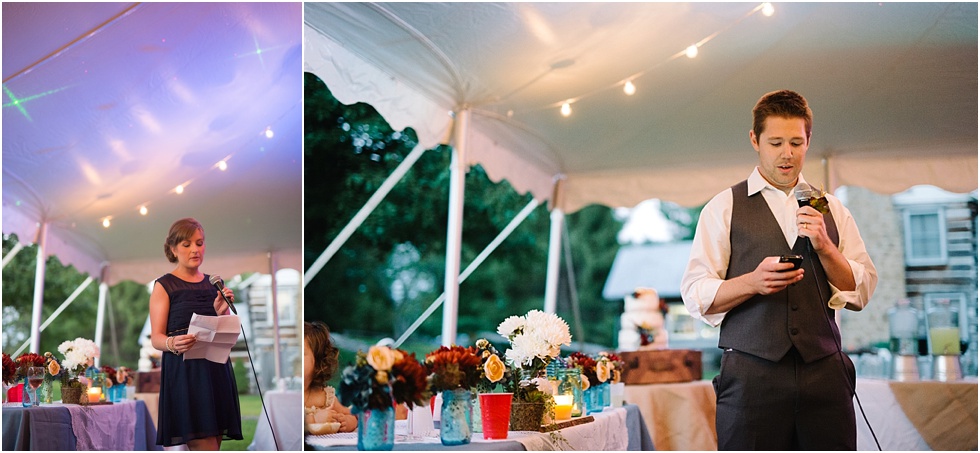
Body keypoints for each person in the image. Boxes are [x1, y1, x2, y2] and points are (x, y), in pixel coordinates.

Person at [680, 90, 877, 450]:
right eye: (775, 142)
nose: (787, 153)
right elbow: (695, 294)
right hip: (752, 380)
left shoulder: (830, 206)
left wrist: (826, 247)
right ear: (755, 140)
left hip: (825, 378)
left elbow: (860, 291)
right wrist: (751, 283)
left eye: (795, 142)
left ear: (808, 141)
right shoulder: (724, 206)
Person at [149, 218, 243, 450]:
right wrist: (172, 342)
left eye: (199, 243)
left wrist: (221, 313)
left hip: (216, 370)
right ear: (173, 249)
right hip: (186, 373)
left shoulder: (215, 284)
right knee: (206, 445)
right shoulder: (164, 286)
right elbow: (156, 338)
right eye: (187, 244)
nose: (195, 249)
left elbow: (225, 336)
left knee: (215, 443)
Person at [304, 321, 357, 434]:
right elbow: (289, 422)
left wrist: (347, 422)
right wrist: (314, 419)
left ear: (318, 362)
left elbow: (352, 415)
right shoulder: (289, 396)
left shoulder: (326, 397)